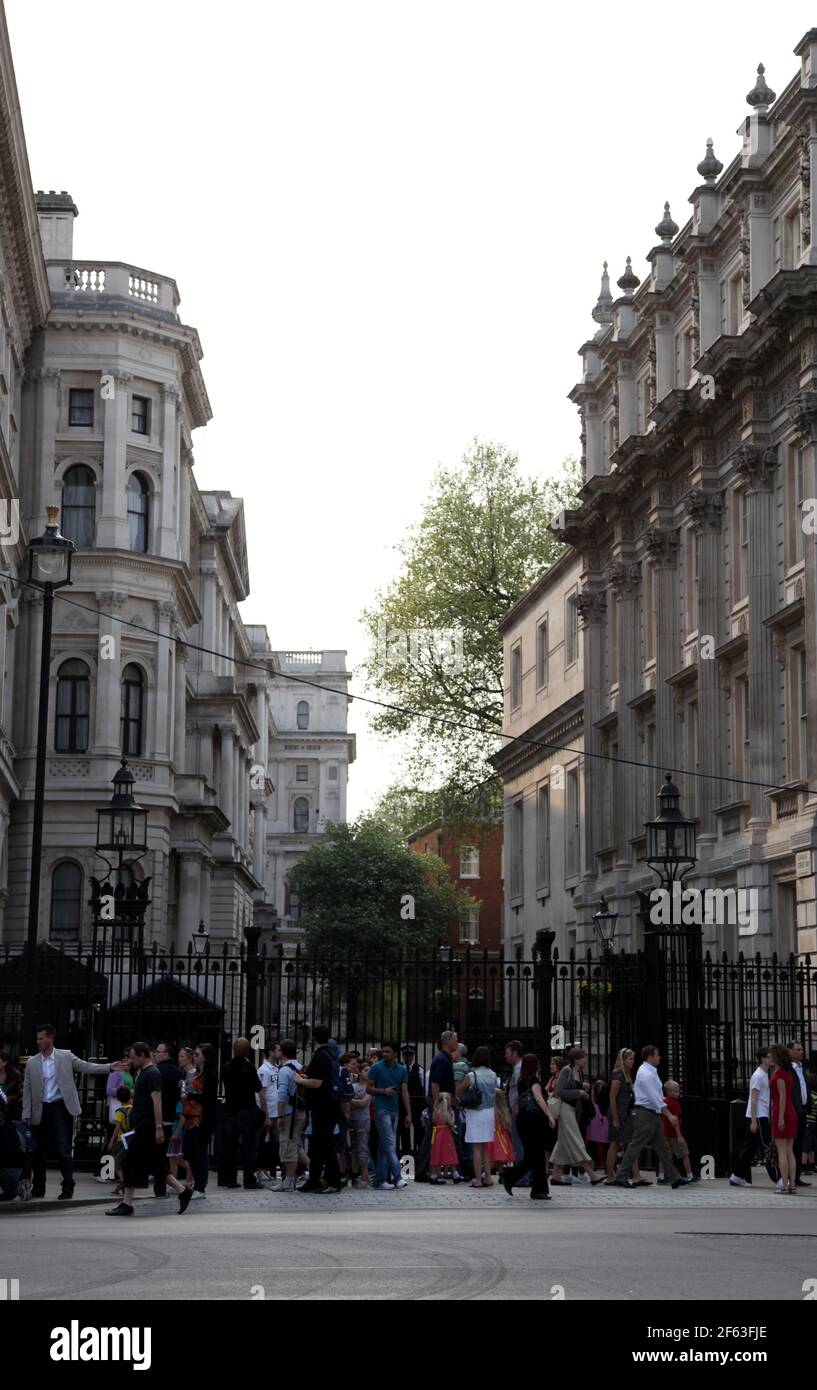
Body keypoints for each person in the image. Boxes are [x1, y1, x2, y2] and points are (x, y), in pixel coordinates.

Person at [22, 1023, 127, 1201]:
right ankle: (38, 1188)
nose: (38, 1041)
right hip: (40, 1108)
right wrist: (26, 1114)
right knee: (38, 1150)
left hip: (60, 1106)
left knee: (63, 1148)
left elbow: (86, 1067)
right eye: (37, 1038)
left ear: (50, 1038)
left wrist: (109, 1067)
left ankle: (68, 1187)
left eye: (41, 1038)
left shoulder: (65, 1056)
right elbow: (28, 1089)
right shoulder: (32, 1062)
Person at [106, 1043, 192, 1216]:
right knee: (155, 1164)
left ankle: (127, 1203)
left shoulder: (152, 1074)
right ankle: (183, 1191)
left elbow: (157, 1101)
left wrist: (159, 1127)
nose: (131, 1060)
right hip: (143, 1125)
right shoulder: (145, 1073)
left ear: (142, 1055)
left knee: (129, 1160)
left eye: (132, 1057)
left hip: (147, 1127)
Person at [614, 1045, 684, 1190]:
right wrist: (669, 1114)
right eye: (657, 1055)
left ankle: (674, 1177)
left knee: (662, 1147)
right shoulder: (646, 1073)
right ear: (650, 1056)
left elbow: (655, 1096)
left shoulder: (649, 1071)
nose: (659, 1057)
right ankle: (621, 1176)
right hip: (646, 1114)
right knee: (636, 1145)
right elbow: (653, 1097)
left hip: (652, 1114)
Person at [501, 1052, 556, 1200]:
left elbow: (517, 1101)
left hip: (523, 1120)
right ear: (534, 1065)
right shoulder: (533, 1080)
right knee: (536, 1156)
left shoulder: (521, 1080)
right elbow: (538, 1098)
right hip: (533, 1121)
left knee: (532, 1156)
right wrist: (549, 1114)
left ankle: (519, 1181)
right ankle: (534, 1188)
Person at [294, 1025, 342, 1193]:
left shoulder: (320, 1056)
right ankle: (314, 1179)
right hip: (328, 1105)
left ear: (314, 1038)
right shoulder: (331, 1054)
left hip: (323, 1107)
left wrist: (300, 1080)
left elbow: (317, 1083)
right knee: (315, 1145)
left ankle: (333, 1182)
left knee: (325, 1145)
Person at [551, 1048, 605, 1186]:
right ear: (575, 1059)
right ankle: (592, 1174)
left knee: (563, 1143)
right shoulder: (566, 1070)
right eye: (583, 1057)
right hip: (565, 1109)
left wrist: (582, 1088)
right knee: (576, 1141)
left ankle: (556, 1176)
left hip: (572, 1110)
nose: (586, 1059)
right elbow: (559, 1091)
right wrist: (579, 1092)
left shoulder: (578, 1072)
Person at [220, 1037, 266, 1189]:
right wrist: (264, 1111)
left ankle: (230, 1179)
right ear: (247, 1051)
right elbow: (259, 1089)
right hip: (247, 1110)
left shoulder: (226, 1066)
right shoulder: (249, 1067)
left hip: (230, 1110)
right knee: (249, 1146)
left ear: (233, 1049)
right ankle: (249, 1179)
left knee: (230, 1146)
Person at [729, 1048, 778, 1188]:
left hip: (759, 1115)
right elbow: (754, 1099)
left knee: (749, 1148)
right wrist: (754, 1120)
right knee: (766, 1147)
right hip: (758, 1116)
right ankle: (778, 1178)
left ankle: (737, 1176)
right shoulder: (758, 1076)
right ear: (762, 1059)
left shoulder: (763, 1074)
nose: (772, 1059)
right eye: (769, 1057)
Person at [416, 1030, 459, 1184]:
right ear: (447, 1041)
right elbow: (435, 1083)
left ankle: (452, 1170)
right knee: (432, 1137)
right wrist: (438, 1105)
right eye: (455, 1039)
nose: (457, 1043)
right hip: (441, 1103)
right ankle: (423, 1171)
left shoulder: (445, 1058)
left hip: (444, 1101)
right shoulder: (442, 1059)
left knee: (440, 1137)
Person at [367, 1040, 410, 1190]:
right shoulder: (376, 1068)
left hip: (394, 1110)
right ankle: (397, 1177)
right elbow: (369, 1089)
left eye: (387, 1052)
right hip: (381, 1110)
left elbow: (404, 1092)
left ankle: (380, 1180)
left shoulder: (402, 1070)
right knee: (390, 1144)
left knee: (384, 1145)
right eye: (383, 1051)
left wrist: (408, 1113)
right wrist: (384, 1091)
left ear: (395, 1054)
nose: (384, 1054)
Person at [605, 1049, 648, 1186]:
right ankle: (610, 1176)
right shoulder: (618, 1076)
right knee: (615, 1144)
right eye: (629, 1059)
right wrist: (616, 1118)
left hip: (626, 1113)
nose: (632, 1062)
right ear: (623, 1060)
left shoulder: (627, 1075)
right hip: (618, 1113)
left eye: (633, 1059)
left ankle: (636, 1175)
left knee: (631, 1143)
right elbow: (612, 1097)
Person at [457, 1045, 497, 1188]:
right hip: (489, 1112)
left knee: (476, 1148)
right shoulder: (493, 1074)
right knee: (485, 1146)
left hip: (475, 1112)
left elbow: (459, 1091)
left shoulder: (471, 1075)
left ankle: (478, 1180)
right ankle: (488, 1177)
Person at [182, 1042, 218, 1200]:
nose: (194, 1057)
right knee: (189, 1152)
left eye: (197, 1054)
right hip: (190, 1117)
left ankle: (200, 1186)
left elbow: (208, 1099)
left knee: (199, 1153)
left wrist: (190, 1095)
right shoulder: (195, 1073)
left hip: (201, 1119)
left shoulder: (210, 1075)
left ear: (205, 1058)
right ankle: (197, 1183)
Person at [273, 1039, 308, 1192]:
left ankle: (288, 1181)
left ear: (283, 1052)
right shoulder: (301, 1067)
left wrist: (279, 1116)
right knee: (296, 1145)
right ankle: (312, 1173)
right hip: (302, 1111)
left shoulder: (284, 1070)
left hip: (289, 1113)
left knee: (287, 1146)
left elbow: (281, 1095)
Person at [151, 1041, 183, 1199]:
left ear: (166, 1054)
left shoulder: (156, 1071)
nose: (155, 1053)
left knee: (160, 1156)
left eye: (158, 1051)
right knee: (171, 1155)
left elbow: (156, 1097)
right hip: (173, 1117)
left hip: (160, 1118)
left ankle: (161, 1188)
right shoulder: (178, 1072)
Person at [770, 1042, 798, 1195]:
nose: (770, 1057)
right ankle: (792, 1184)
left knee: (782, 1151)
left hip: (782, 1112)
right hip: (790, 1111)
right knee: (789, 1150)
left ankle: (784, 1186)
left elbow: (782, 1096)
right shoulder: (788, 1072)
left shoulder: (779, 1074)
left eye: (771, 1055)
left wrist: (780, 1117)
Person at [657, 1081, 697, 1183]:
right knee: (684, 1154)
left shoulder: (663, 1102)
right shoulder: (675, 1104)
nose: (678, 1093)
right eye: (675, 1091)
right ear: (668, 1092)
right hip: (674, 1134)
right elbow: (676, 1121)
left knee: (664, 1155)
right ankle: (689, 1175)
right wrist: (680, 1136)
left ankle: (661, 1176)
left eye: (678, 1091)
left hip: (664, 1133)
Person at [256, 1041, 282, 1183]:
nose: (280, 1052)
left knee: (274, 1143)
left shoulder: (277, 1068)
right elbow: (262, 1093)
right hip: (269, 1111)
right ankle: (260, 1169)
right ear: (271, 1052)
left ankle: (270, 1168)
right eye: (278, 1050)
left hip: (276, 1111)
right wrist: (265, 1114)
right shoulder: (263, 1070)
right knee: (263, 1142)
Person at [788, 1040, 811, 1187]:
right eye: (798, 1049)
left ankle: (796, 1176)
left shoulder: (801, 1068)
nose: (801, 1052)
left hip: (802, 1110)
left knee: (799, 1144)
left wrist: (808, 1103)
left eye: (802, 1049)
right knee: (792, 1144)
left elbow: (803, 1087)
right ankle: (789, 1176)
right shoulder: (789, 1068)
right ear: (790, 1051)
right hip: (793, 1110)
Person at [398, 1045, 426, 1159]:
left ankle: (421, 1161)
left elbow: (425, 1087)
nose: (407, 1058)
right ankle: (407, 1166)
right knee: (404, 1135)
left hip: (417, 1105)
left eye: (410, 1055)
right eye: (405, 1055)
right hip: (402, 1106)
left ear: (413, 1056)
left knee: (419, 1133)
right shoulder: (399, 1068)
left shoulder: (419, 1069)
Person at [349, 1062, 372, 1187]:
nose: (367, 1072)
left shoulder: (370, 1087)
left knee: (362, 1147)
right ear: (359, 1072)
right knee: (354, 1148)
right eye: (365, 1070)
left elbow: (364, 1103)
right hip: (353, 1119)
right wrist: (353, 1102)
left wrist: (350, 1100)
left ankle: (365, 1176)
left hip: (364, 1119)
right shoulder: (353, 1086)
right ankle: (354, 1175)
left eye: (369, 1070)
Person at [429, 1093, 459, 1171]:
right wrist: (453, 1116)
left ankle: (435, 1174)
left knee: (437, 1153)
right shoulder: (446, 1113)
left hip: (437, 1134)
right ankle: (454, 1173)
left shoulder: (436, 1111)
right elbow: (451, 1124)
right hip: (446, 1135)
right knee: (449, 1153)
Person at [585, 1080, 610, 1171]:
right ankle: (592, 1168)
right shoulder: (592, 1100)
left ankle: (609, 1168)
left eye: (602, 1087)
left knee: (606, 1146)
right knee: (592, 1147)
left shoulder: (606, 1100)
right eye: (598, 1087)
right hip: (594, 1124)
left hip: (604, 1122)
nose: (600, 1089)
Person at [491, 1088, 514, 1169]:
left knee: (492, 1157)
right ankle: (501, 1173)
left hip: (494, 1136)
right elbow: (508, 1126)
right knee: (500, 1157)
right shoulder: (505, 1111)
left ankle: (486, 1174)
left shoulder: (491, 1111)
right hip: (503, 1136)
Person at [804, 1074, 817, 1175]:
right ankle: (809, 1163)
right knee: (811, 1145)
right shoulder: (814, 1096)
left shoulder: (808, 1095)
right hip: (812, 1123)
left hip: (808, 1123)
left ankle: (805, 1164)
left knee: (808, 1145)